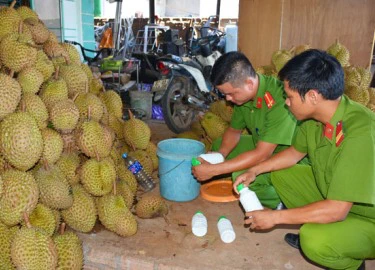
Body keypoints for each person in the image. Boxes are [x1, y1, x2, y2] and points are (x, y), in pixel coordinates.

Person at [233, 49, 375, 270]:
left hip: (368, 218)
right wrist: (255, 170)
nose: (287, 103)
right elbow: (294, 154)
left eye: (289, 97)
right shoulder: (314, 117)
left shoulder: (360, 131)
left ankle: (351, 261)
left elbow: (337, 209)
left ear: (312, 96)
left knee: (313, 240)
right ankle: (332, 229)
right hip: (338, 195)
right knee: (280, 173)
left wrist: (274, 218)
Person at [192, 51, 299, 209]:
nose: (228, 99)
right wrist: (220, 156)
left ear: (249, 83)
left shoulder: (278, 99)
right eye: (225, 94)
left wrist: (214, 170)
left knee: (241, 179)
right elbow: (234, 131)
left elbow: (263, 154)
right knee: (219, 145)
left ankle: (283, 201)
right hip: (262, 145)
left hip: (289, 154)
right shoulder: (243, 98)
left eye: (231, 93)